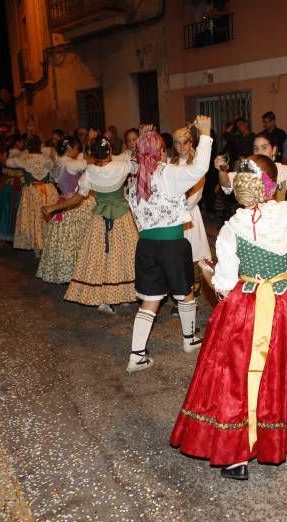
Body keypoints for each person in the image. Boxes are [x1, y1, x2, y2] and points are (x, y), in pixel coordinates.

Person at [171, 140, 287, 480]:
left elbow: (223, 284)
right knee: (286, 368)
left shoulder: (233, 228)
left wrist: (207, 270)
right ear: (274, 185)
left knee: (241, 375)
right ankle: (282, 431)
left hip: (249, 306)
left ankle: (238, 453)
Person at [126, 117, 212, 373]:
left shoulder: (133, 184)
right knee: (185, 292)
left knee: (150, 301)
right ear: (161, 151)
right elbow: (199, 169)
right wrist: (205, 134)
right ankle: (189, 340)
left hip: (147, 247)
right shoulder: (168, 174)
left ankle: (136, 355)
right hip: (173, 244)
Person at [45, 137, 139, 313]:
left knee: (100, 257)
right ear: (110, 151)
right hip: (122, 217)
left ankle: (106, 298)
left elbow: (77, 198)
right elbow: (137, 163)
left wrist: (54, 207)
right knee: (124, 254)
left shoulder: (90, 172)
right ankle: (124, 292)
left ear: (94, 155)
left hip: (99, 218)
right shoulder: (121, 166)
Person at [216, 133, 287, 276]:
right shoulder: (249, 170)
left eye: (264, 147)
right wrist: (222, 170)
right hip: (253, 228)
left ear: (274, 150)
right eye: (255, 148)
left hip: (280, 228)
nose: (259, 152)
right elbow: (228, 183)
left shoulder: (283, 171)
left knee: (285, 276)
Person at [36, 137, 93, 284]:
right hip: (76, 201)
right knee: (77, 238)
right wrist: (91, 144)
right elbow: (92, 162)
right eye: (76, 148)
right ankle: (78, 270)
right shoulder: (72, 164)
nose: (77, 151)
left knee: (65, 239)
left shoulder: (58, 163)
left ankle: (64, 271)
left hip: (63, 198)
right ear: (69, 149)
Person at [172, 127, 211, 303]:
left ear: (191, 143)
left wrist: (180, 207)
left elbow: (197, 194)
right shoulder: (170, 163)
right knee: (176, 256)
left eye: (185, 142)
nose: (181, 146)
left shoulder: (197, 164)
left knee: (193, 252)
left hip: (189, 215)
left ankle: (193, 293)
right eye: (178, 143)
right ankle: (181, 291)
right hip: (173, 216)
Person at [10, 137, 58, 255]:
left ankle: (37, 245)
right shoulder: (47, 159)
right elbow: (54, 173)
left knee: (34, 218)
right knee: (46, 217)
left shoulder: (25, 159)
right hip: (47, 190)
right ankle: (46, 244)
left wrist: (21, 154)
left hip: (31, 191)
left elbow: (8, 162)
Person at [0, 135, 26, 242]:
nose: (23, 144)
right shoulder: (22, 154)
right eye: (22, 142)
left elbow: (3, 166)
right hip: (19, 185)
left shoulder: (6, 153)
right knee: (18, 209)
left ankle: (9, 233)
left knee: (7, 211)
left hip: (9, 185)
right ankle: (20, 234)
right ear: (17, 142)